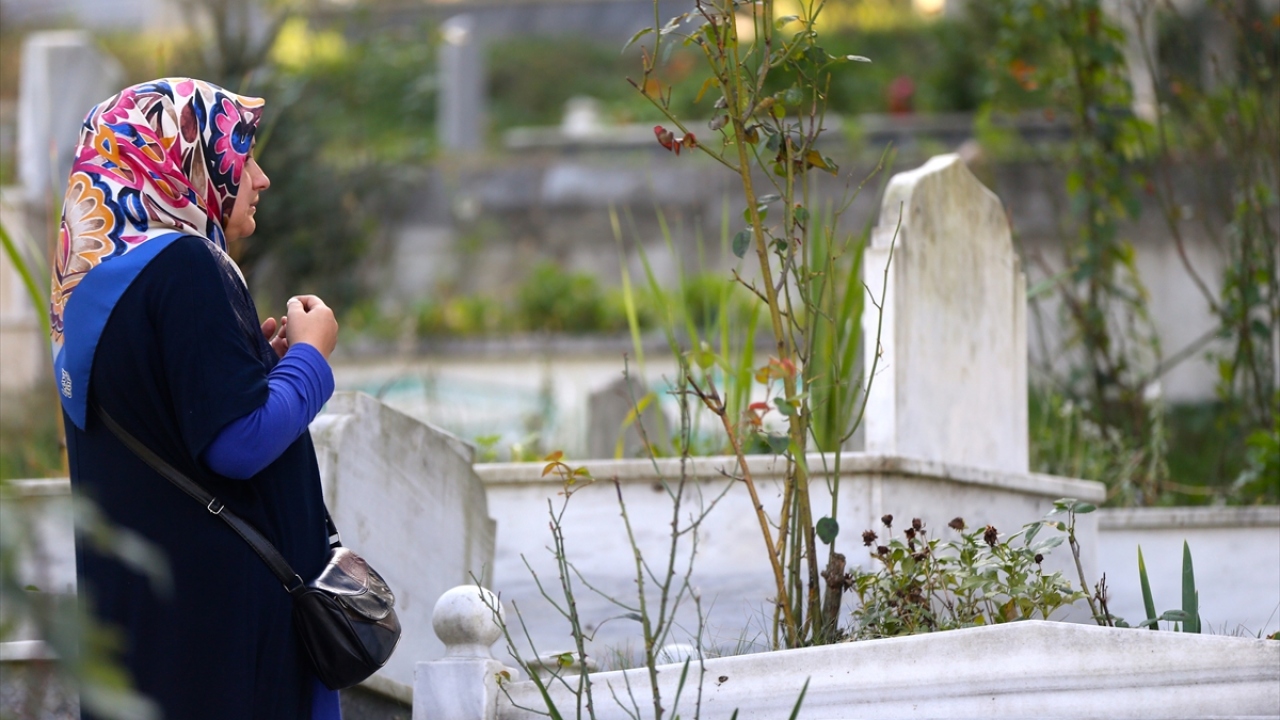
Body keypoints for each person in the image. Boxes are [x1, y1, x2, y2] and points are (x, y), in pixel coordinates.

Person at [51, 78, 342, 719]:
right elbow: (238, 444)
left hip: (147, 635)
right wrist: (311, 357)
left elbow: (168, 426)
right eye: (241, 153)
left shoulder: (92, 287)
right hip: (226, 643)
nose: (259, 178)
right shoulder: (187, 265)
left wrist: (259, 367)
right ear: (181, 157)